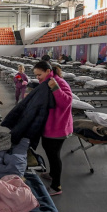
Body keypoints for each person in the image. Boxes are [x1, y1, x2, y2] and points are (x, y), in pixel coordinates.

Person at [33, 61, 73, 196]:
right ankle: (51, 174)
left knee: (54, 156)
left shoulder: (59, 82)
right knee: (48, 150)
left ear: (47, 71)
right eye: (36, 75)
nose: (37, 77)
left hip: (58, 127)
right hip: (49, 126)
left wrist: (55, 88)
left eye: (39, 74)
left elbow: (67, 102)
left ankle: (56, 186)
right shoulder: (45, 81)